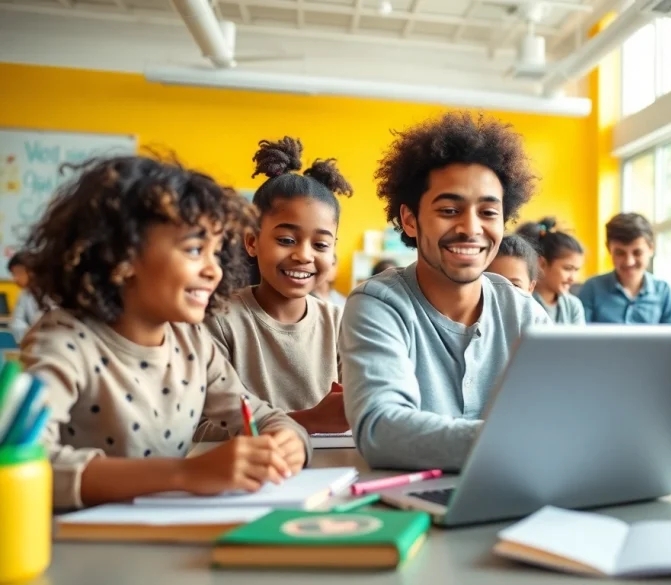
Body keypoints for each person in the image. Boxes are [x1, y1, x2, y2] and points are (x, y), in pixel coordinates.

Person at [19, 155, 309, 510]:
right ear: (122, 255)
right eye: (193, 250)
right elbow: (25, 462)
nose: (213, 271)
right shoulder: (64, 342)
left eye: (216, 253)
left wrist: (287, 439)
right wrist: (185, 474)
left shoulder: (193, 342)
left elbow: (258, 414)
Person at [342, 111, 550, 470]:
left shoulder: (525, 312)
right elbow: (380, 429)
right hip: (413, 510)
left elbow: (564, 415)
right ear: (409, 219)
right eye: (450, 209)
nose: (471, 228)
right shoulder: (377, 305)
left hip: (515, 494)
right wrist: (519, 443)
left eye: (488, 212)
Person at [203, 137, 351, 436]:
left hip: (328, 471)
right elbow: (200, 430)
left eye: (320, 244)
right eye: (286, 240)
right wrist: (308, 421)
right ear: (252, 241)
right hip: (246, 474)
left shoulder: (338, 323)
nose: (304, 255)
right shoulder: (219, 320)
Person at [577, 213, 671, 324]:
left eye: (637, 253)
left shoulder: (664, 292)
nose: (629, 262)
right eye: (620, 253)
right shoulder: (592, 289)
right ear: (609, 249)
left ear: (651, 249)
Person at [517, 217, 585, 324]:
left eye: (576, 270)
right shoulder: (523, 303)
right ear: (542, 264)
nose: (573, 278)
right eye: (567, 268)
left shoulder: (573, 306)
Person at [8, 252, 46, 342]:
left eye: (17, 273)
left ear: (31, 271)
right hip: (32, 343)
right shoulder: (25, 294)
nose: (14, 279)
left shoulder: (51, 292)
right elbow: (17, 322)